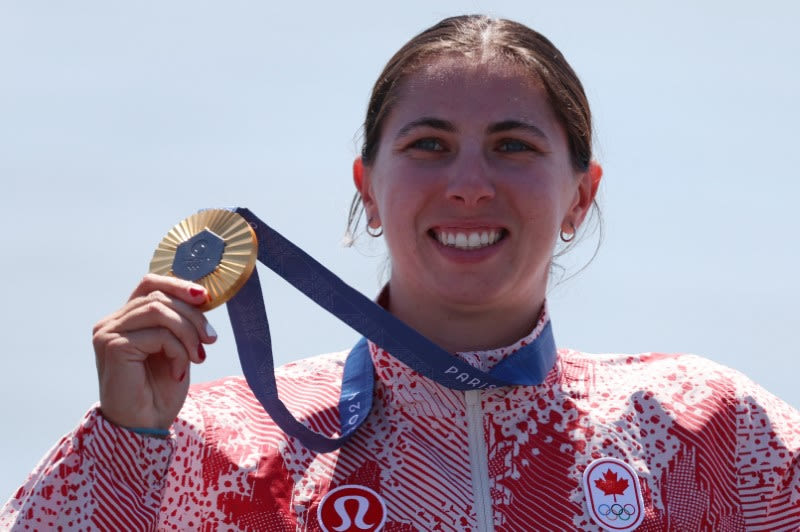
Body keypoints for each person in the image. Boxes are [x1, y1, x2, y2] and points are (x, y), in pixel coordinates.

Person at [2, 14, 799, 531]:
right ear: (368, 192)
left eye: (514, 146)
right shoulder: (218, 443)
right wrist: (127, 444)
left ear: (580, 197)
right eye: (429, 145)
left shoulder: (711, 432)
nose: (469, 183)